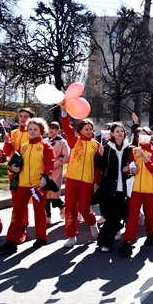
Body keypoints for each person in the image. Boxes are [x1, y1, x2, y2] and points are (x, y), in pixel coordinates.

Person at [0, 118, 55, 252]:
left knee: (39, 211)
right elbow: (15, 162)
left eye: (35, 129)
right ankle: (11, 242)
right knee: (17, 212)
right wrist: (13, 168)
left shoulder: (45, 146)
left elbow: (50, 163)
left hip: (38, 185)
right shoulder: (23, 147)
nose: (32, 131)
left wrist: (45, 177)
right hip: (22, 184)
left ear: (41, 131)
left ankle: (41, 237)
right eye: (30, 129)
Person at [60, 106, 101, 248]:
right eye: (86, 129)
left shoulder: (96, 145)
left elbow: (98, 167)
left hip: (87, 181)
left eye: (90, 129)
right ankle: (71, 236)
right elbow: (67, 127)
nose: (89, 132)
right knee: (70, 208)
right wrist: (64, 112)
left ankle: (92, 223)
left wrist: (96, 181)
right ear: (80, 130)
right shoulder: (74, 141)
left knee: (84, 208)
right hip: (72, 178)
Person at [119, 127, 153, 255]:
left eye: (144, 136)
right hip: (136, 188)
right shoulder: (134, 150)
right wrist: (128, 169)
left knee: (149, 213)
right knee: (133, 214)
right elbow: (128, 166)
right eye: (139, 136)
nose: (141, 139)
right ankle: (128, 241)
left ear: (150, 136)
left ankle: (151, 233)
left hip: (149, 188)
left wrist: (144, 158)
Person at [95, 122, 134, 252]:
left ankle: (107, 241)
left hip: (123, 188)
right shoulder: (106, 148)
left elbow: (134, 164)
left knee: (119, 215)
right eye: (117, 131)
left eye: (121, 131)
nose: (120, 133)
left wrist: (129, 168)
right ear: (112, 134)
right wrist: (100, 155)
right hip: (108, 187)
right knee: (111, 216)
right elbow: (100, 166)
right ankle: (105, 241)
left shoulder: (130, 149)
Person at [3, 107, 35, 243]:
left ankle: (23, 227)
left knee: (22, 202)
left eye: (26, 116)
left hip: (26, 173)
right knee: (15, 201)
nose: (22, 118)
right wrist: (7, 143)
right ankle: (19, 226)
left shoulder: (33, 133)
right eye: (21, 116)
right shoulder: (13, 133)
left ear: (31, 119)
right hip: (13, 172)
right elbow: (7, 153)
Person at [45, 122, 69, 224]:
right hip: (45, 170)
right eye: (50, 128)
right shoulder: (44, 141)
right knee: (45, 195)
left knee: (54, 195)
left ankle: (61, 206)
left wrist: (57, 162)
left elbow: (66, 156)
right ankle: (47, 217)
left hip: (56, 170)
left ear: (58, 130)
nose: (51, 130)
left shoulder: (62, 142)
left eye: (54, 128)